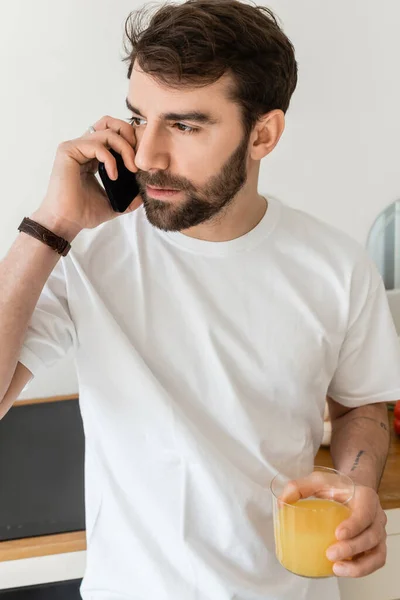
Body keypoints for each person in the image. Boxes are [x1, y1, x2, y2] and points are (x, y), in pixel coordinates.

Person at [1, 1, 399, 598]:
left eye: (186, 126)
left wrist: (355, 482)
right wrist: (51, 222)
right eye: (141, 118)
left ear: (263, 133)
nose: (149, 155)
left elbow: (362, 407)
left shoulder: (338, 267)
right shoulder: (86, 251)